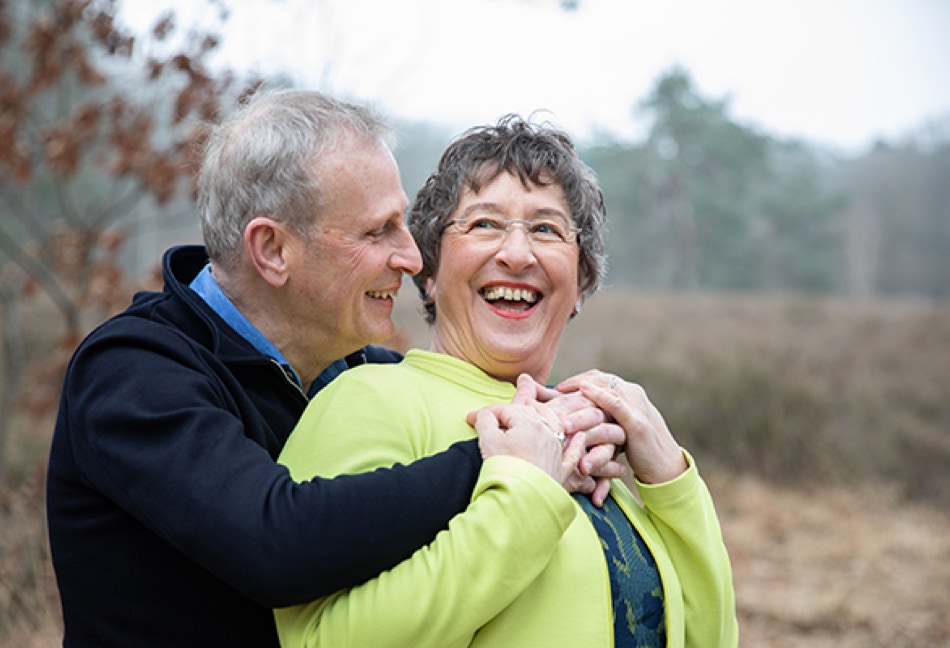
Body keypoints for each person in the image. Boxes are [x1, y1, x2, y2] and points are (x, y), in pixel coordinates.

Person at [45, 90, 615, 647]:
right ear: (272, 250)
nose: (412, 257)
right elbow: (274, 543)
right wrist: (499, 460)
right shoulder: (133, 371)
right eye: (377, 231)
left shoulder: (360, 372)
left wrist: (570, 423)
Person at [276, 115, 739, 647]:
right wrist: (524, 502)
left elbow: (713, 637)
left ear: (582, 279)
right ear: (428, 273)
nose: (517, 255)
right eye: (483, 225)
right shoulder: (368, 402)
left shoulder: (593, 438)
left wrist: (670, 479)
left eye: (546, 228)